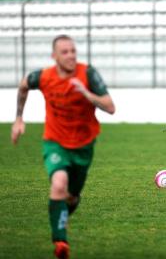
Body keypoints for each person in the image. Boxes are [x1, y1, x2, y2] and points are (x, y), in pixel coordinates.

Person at [11, 35, 115, 259]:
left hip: (83, 145)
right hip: (55, 142)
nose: (70, 56)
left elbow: (110, 107)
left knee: (71, 197)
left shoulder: (87, 74)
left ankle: (62, 216)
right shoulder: (44, 76)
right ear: (54, 56)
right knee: (59, 183)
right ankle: (60, 242)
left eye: (73, 51)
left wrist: (86, 93)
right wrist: (19, 118)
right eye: (65, 52)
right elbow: (23, 85)